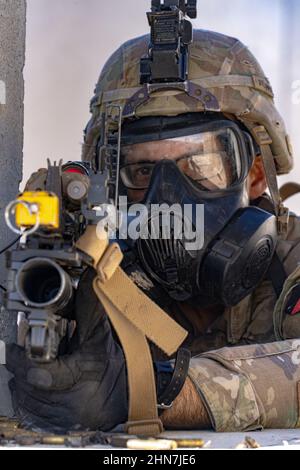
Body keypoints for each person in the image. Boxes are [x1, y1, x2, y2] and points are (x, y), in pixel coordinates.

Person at [5, 27, 300, 434]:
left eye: (199, 163)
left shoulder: (294, 263)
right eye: (142, 170)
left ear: (253, 174)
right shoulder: (88, 277)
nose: (168, 195)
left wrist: (152, 391)